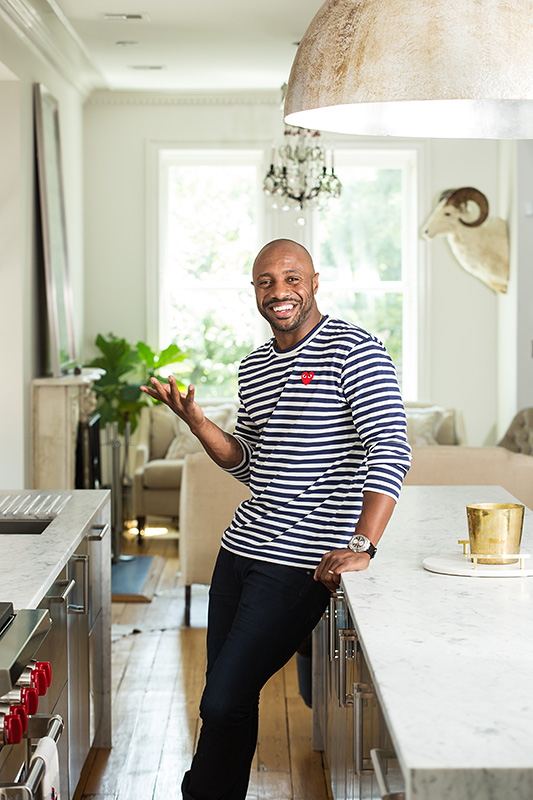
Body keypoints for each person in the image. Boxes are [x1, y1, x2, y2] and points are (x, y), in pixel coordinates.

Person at [141, 238, 411, 800]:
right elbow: (250, 463)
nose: (280, 291)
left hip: (297, 564)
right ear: (255, 292)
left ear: (314, 281)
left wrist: (364, 543)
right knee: (226, 697)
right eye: (266, 281)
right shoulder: (255, 366)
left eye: (292, 278)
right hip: (239, 552)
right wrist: (197, 422)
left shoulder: (356, 350)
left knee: (223, 697)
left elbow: (390, 447)